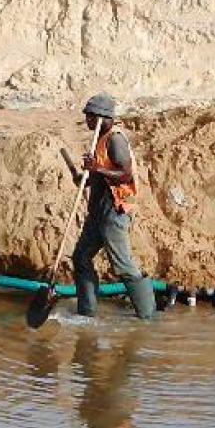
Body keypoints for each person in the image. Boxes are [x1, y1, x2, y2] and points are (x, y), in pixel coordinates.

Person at [71, 93, 156, 320]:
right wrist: (85, 179)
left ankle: (147, 316)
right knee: (80, 257)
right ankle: (86, 312)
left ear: (104, 117)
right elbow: (100, 177)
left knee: (123, 266)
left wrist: (96, 169)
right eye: (87, 116)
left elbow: (124, 174)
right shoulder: (99, 139)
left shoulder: (115, 139)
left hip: (113, 212)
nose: (88, 121)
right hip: (97, 212)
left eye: (91, 116)